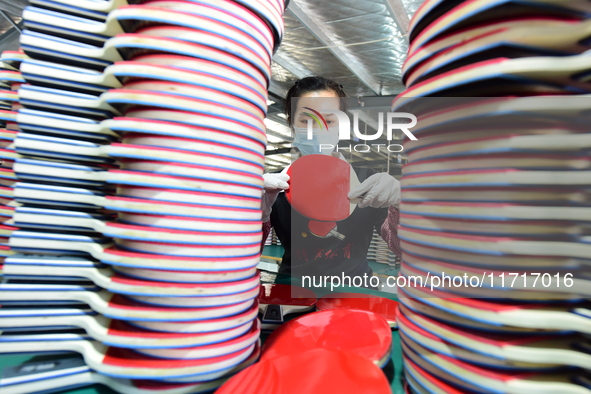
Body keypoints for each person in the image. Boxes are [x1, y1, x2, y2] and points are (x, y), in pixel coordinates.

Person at [261, 76, 401, 281]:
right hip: (291, 298)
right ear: (291, 123)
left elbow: (402, 249)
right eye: (306, 120)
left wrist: (401, 204)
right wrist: (257, 215)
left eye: (328, 120)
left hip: (355, 295)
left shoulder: (368, 182)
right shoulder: (276, 188)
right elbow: (244, 254)